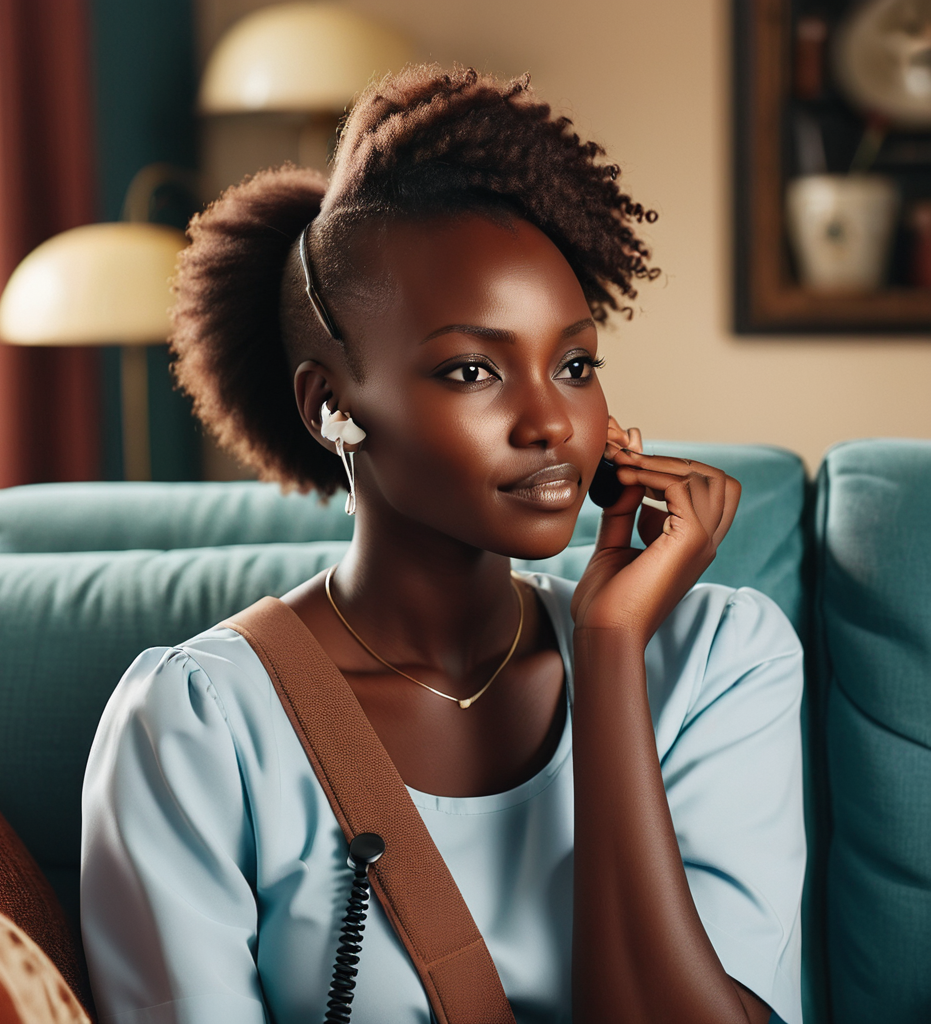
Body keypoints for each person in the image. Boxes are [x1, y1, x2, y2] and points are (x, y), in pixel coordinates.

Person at [80, 65, 805, 1024]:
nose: (551, 421)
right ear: (331, 404)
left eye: (576, 363)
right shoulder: (198, 723)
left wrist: (611, 652)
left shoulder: (714, 657)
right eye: (473, 369)